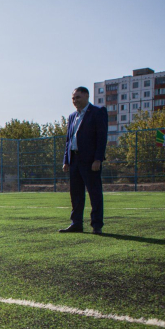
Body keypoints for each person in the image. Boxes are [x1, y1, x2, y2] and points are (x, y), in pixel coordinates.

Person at [60, 86, 108, 235]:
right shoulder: (72, 117)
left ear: (87, 96)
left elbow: (102, 137)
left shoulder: (97, 112)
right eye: (73, 98)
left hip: (90, 161)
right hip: (74, 160)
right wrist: (66, 160)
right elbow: (69, 140)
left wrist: (98, 159)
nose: (75, 100)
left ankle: (97, 225)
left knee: (94, 193)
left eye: (78, 97)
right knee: (76, 194)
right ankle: (76, 223)